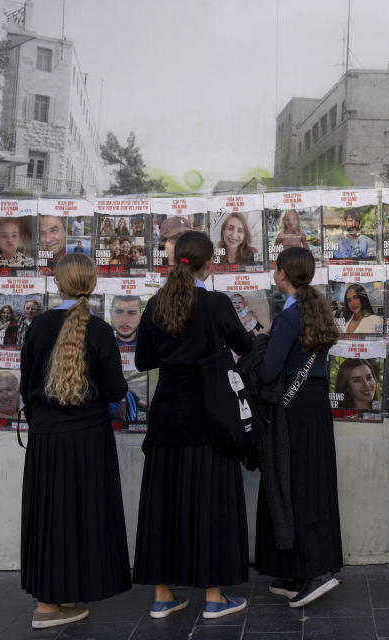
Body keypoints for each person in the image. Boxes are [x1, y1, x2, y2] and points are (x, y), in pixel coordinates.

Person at [132, 231, 252, 620]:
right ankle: (214, 598)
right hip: (210, 415)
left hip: (167, 416)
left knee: (162, 505)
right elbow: (246, 346)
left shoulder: (155, 304)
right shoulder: (216, 303)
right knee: (210, 503)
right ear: (209, 263)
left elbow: (143, 361)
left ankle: (163, 595)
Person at [19, 252, 130, 629]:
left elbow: (26, 386)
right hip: (88, 439)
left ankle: (49, 603)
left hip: (47, 439)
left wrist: (43, 424)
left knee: (51, 517)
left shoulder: (37, 326)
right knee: (83, 517)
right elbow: (116, 389)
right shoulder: (99, 330)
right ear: (92, 283)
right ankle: (58, 601)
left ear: (57, 282)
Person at [255, 246, 343, 607]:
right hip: (315, 406)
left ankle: (313, 572)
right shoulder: (316, 308)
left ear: (281, 275)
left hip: (292, 411)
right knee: (312, 483)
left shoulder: (289, 317)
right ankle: (296, 570)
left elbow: (268, 371)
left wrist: (262, 339)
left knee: (293, 485)